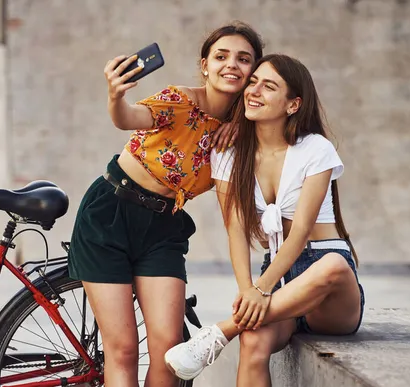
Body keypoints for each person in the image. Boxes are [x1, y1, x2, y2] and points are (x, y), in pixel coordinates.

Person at [67, 22, 264, 387]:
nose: (231, 65)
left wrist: (242, 126)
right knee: (123, 350)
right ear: (205, 65)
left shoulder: (245, 131)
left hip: (163, 227)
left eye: (243, 59)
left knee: (170, 351)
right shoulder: (179, 101)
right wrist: (115, 95)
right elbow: (127, 118)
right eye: (221, 56)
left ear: (255, 72)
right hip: (110, 212)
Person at [164, 54, 365, 386]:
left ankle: (220, 332)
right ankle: (238, 327)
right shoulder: (229, 154)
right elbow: (236, 230)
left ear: (293, 104)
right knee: (254, 340)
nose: (253, 91)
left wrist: (261, 289)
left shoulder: (316, 149)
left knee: (333, 265)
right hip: (275, 277)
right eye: (252, 82)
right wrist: (249, 293)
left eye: (268, 86)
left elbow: (300, 232)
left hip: (328, 290)